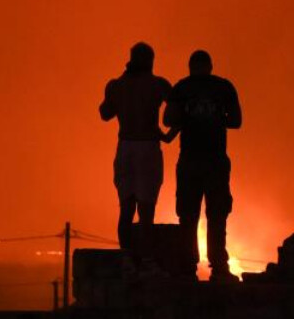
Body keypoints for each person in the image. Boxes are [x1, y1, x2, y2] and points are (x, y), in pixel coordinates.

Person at [163, 50, 242, 282]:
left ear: (190, 66)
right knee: (217, 214)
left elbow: (168, 119)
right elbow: (237, 121)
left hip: (190, 160)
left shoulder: (182, 87)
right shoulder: (224, 87)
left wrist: (189, 118)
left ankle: (188, 268)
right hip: (215, 159)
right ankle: (218, 267)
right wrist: (216, 118)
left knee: (188, 215)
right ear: (210, 65)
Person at [99, 42, 175, 264]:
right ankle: (146, 262)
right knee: (146, 211)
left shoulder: (116, 85)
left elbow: (104, 113)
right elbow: (177, 112)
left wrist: (118, 88)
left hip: (125, 148)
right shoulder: (159, 85)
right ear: (151, 61)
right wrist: (168, 134)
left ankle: (127, 262)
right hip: (148, 148)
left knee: (126, 209)